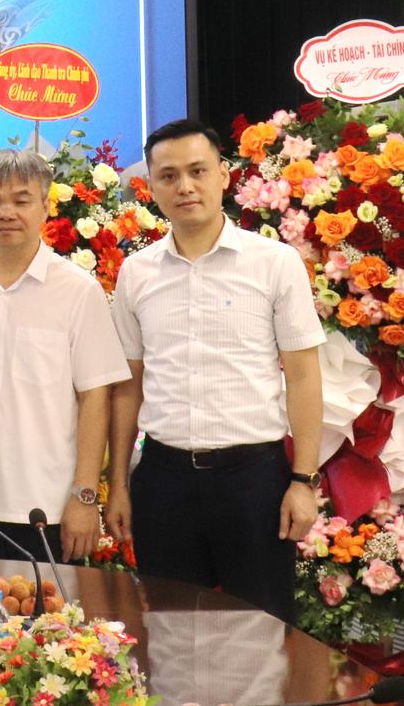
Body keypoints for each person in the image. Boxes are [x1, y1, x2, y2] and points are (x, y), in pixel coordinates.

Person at [107, 119, 324, 620]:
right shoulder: (136, 273)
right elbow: (129, 386)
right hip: (163, 479)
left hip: (253, 479)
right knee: (170, 629)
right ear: (151, 187)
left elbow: (303, 375)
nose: (184, 186)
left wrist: (303, 480)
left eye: (197, 171)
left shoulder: (274, 262)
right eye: (168, 176)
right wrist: (117, 483)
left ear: (224, 175)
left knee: (263, 630)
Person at [0, 149, 129, 563]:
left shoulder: (77, 290)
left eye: (21, 200)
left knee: (47, 608)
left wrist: (85, 496)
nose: (6, 212)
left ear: (45, 207)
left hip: (47, 508)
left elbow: (95, 398)